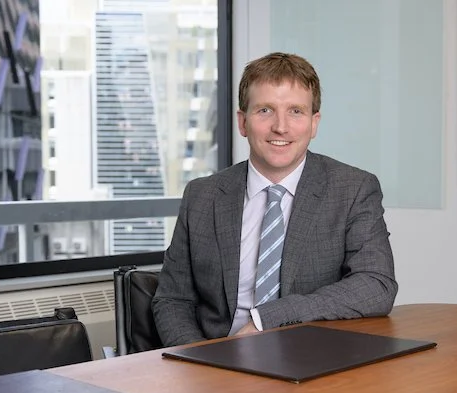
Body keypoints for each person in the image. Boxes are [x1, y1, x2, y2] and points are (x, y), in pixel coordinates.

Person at [152, 52, 397, 347]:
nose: (281, 127)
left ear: (314, 123)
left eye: (296, 111)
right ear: (243, 122)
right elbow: (172, 299)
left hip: (312, 359)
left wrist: (268, 318)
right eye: (265, 110)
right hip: (216, 359)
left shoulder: (353, 189)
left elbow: (376, 284)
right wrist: (198, 359)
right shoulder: (202, 196)